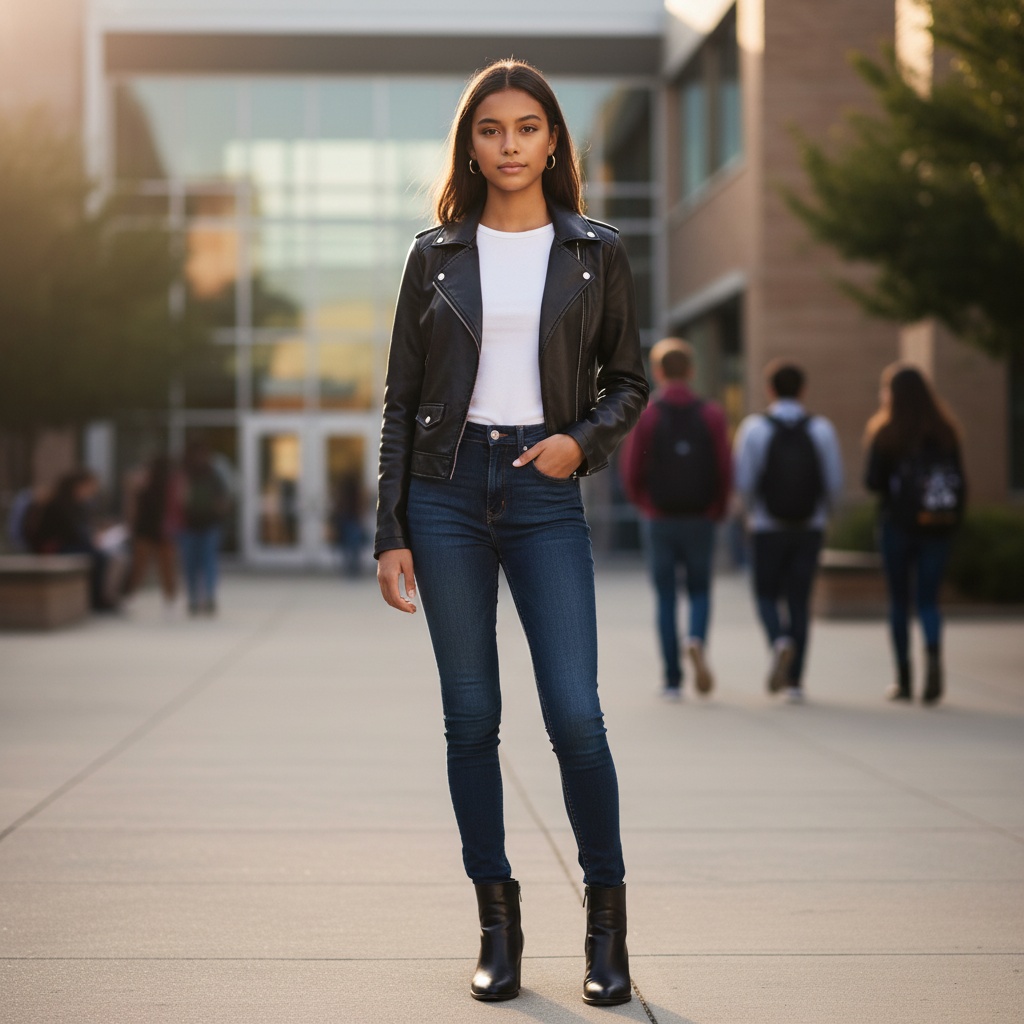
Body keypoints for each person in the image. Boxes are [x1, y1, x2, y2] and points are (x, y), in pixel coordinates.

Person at [375, 59, 648, 1005]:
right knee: (471, 716)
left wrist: (582, 441)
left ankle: (606, 927)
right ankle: (497, 920)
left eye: (527, 128)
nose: (509, 147)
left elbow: (629, 382)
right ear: (471, 143)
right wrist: (391, 527)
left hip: (543, 489)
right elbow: (400, 402)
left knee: (576, 714)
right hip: (447, 495)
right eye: (491, 130)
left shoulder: (595, 252)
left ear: (553, 141)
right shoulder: (435, 255)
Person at [620, 338, 732, 700]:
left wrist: (645, 504)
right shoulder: (711, 414)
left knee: (666, 597)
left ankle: (671, 680)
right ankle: (696, 638)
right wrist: (718, 507)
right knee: (699, 589)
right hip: (700, 516)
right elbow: (725, 467)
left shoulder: (649, 414)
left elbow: (632, 468)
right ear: (692, 370)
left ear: (658, 372)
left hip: (661, 517)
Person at [733, 360, 843, 703]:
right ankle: (795, 682)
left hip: (767, 526)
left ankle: (779, 641)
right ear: (803, 390)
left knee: (766, 594)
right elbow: (834, 481)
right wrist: (826, 514)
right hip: (809, 526)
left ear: (770, 389)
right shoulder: (822, 429)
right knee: (799, 599)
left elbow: (744, 481)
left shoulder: (754, 428)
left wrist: (750, 514)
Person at [864, 363, 964, 705]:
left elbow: (873, 482)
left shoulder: (886, 431)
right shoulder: (945, 430)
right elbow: (959, 481)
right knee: (928, 601)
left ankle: (904, 679)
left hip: (897, 525)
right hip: (937, 527)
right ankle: (934, 659)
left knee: (899, 602)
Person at [31, 470, 117, 611]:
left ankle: (103, 597)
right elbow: (71, 533)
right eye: (90, 487)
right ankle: (96, 600)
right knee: (100, 557)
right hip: (54, 547)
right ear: (78, 485)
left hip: (68, 544)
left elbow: (81, 530)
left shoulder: (77, 503)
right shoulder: (60, 503)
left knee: (107, 555)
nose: (91, 492)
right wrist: (91, 541)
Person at [125, 455, 182, 608]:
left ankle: (130, 595)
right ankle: (170, 599)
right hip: (164, 530)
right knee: (166, 567)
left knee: (139, 565)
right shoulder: (172, 482)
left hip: (145, 528)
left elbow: (133, 507)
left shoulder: (143, 481)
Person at [179, 441, 228, 615]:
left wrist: (218, 513)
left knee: (207, 564)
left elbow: (222, 499)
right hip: (189, 526)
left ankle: (207, 597)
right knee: (192, 565)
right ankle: (195, 599)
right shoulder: (186, 475)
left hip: (208, 525)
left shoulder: (213, 475)